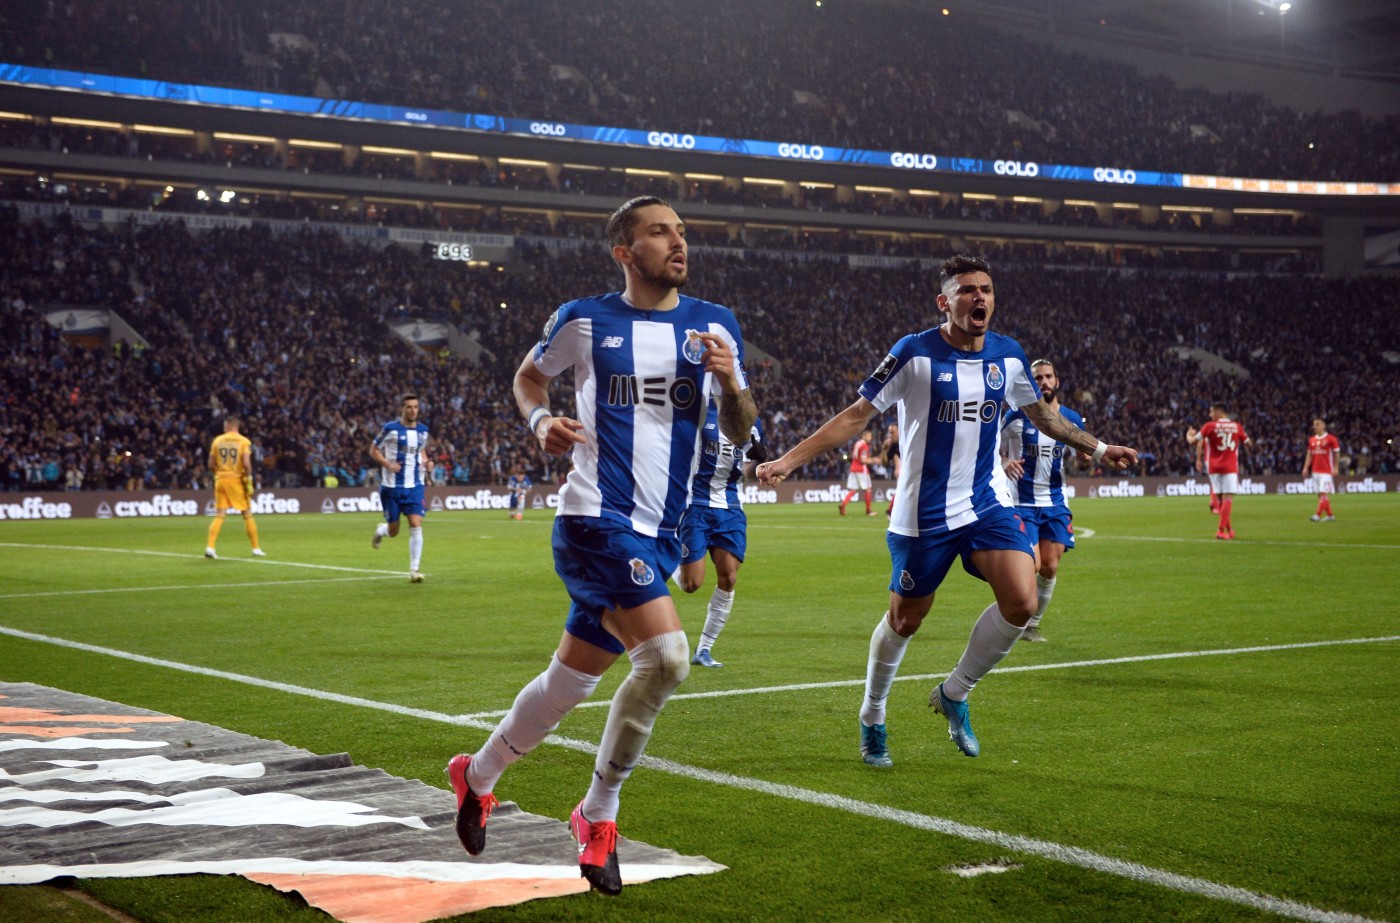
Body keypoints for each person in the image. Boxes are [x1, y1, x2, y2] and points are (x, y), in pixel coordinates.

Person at [445, 196, 757, 894]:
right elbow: (528, 378)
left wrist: (731, 377)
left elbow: (739, 427)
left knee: (567, 684)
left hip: (657, 530)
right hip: (594, 521)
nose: (678, 242)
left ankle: (479, 774)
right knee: (669, 657)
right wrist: (539, 422)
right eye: (659, 232)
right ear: (624, 250)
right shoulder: (585, 321)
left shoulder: (714, 325)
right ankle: (597, 813)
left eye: (681, 230)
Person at [757, 255, 1136, 766]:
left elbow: (1042, 414)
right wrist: (788, 460)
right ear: (945, 302)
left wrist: (1097, 447)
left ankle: (955, 692)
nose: (979, 298)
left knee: (1023, 601)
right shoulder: (913, 353)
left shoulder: (1008, 356)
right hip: (922, 513)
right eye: (967, 291)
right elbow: (857, 416)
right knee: (906, 619)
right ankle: (873, 715)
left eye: (986, 289)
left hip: (983, 502)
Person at [675, 396, 766, 668]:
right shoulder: (697, 410)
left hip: (729, 507)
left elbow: (747, 471)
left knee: (729, 577)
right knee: (691, 584)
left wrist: (758, 465)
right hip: (696, 504)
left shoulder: (751, 421)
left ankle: (704, 648)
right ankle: (664, 553)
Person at [1000, 359, 1086, 643]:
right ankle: (1013, 616)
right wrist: (1004, 462)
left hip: (1055, 502)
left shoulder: (1071, 419)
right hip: (1021, 503)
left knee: (1050, 566)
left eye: (1048, 376)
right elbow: (988, 450)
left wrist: (1085, 461)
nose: (1044, 381)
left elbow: (1081, 464)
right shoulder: (1014, 417)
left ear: (1057, 381)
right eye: (1037, 378)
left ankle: (1032, 624)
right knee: (1032, 566)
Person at [369, 394, 430, 582]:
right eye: (409, 407)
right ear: (401, 409)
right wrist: (387, 464)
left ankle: (414, 570)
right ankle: (381, 530)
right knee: (394, 531)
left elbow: (421, 452)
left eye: (415, 407)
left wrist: (427, 464)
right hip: (392, 487)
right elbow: (373, 450)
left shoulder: (423, 431)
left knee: (415, 524)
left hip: (415, 486)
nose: (413, 410)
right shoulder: (390, 429)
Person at [1186, 403, 1249, 540]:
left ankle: (1229, 529)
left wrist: (1188, 435)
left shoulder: (1209, 426)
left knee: (1221, 500)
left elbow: (1193, 442)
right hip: (1229, 467)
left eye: (1211, 412)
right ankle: (1220, 531)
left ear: (1219, 411)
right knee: (1228, 499)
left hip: (1213, 467)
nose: (1210, 415)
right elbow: (1248, 443)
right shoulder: (1236, 426)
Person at [205, 417, 265, 559]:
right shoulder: (244, 441)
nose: (223, 429)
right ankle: (256, 548)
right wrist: (249, 480)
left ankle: (210, 547)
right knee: (247, 513)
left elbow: (210, 464)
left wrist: (219, 473)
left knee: (220, 515)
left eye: (225, 426)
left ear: (231, 426)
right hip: (235, 480)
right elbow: (246, 463)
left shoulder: (217, 440)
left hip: (220, 480)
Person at [1303, 417, 1340, 521]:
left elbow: (1337, 454)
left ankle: (1317, 515)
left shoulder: (1331, 439)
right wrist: (1306, 467)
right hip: (1315, 471)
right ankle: (1330, 515)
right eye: (1314, 424)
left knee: (1323, 492)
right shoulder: (1312, 440)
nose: (1315, 427)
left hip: (1326, 472)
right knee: (1320, 494)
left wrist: (1336, 467)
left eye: (1318, 424)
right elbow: (1309, 455)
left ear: (1323, 425)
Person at [839, 429, 875, 516]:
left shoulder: (857, 443)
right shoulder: (864, 446)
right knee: (867, 489)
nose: (870, 438)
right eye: (869, 436)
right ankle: (868, 511)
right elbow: (863, 460)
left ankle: (843, 505)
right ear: (864, 436)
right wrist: (874, 460)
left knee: (853, 490)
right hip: (861, 469)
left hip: (853, 468)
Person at [880, 421, 899, 517]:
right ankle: (890, 511)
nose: (890, 435)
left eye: (893, 432)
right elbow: (884, 462)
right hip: (901, 474)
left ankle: (890, 510)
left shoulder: (908, 442)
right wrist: (884, 449)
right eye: (889, 433)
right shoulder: (894, 446)